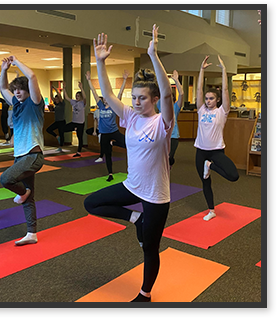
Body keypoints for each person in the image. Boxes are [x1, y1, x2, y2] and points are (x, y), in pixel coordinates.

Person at [84, 24, 174, 302]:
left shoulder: (162, 122)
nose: (136, 102)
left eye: (142, 98)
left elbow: (169, 95)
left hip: (156, 195)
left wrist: (153, 55)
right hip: (132, 185)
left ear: (154, 99)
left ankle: (145, 294)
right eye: (134, 98)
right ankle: (135, 219)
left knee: (150, 247)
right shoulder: (131, 117)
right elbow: (110, 96)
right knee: (91, 203)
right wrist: (100, 62)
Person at [0, 55, 45, 246]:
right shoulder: (16, 104)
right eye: (15, 90)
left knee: (6, 179)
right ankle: (31, 233)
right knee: (29, 198)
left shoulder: (35, 103)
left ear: (27, 91)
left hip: (33, 155)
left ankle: (23, 192)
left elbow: (32, 76)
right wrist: (3, 69)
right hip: (20, 157)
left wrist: (16, 61)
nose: (17, 93)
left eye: (20, 90)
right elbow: (2, 88)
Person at [194, 55, 239, 221]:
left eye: (211, 98)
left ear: (218, 100)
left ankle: (210, 166)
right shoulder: (201, 110)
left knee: (233, 176)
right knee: (205, 183)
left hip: (216, 152)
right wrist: (201, 70)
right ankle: (211, 210)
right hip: (200, 151)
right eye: (206, 98)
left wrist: (224, 71)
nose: (208, 101)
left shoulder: (222, 112)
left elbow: (226, 91)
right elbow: (198, 90)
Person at [85, 71, 126, 181]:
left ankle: (114, 143)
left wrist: (125, 80)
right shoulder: (101, 106)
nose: (106, 99)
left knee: (127, 143)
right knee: (107, 154)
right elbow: (93, 92)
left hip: (114, 131)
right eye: (105, 98)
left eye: (108, 98)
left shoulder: (113, 106)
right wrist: (89, 80)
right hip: (104, 134)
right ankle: (110, 174)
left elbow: (120, 94)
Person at [157, 69, 184, 167]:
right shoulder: (160, 104)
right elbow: (161, 90)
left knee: (169, 158)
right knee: (162, 159)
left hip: (173, 137)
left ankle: (169, 166)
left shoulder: (176, 107)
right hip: (161, 135)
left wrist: (176, 80)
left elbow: (181, 94)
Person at [62, 81, 86, 157]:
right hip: (74, 122)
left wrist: (81, 88)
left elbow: (85, 97)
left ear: (81, 97)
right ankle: (74, 129)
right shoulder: (74, 102)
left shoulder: (82, 103)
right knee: (63, 129)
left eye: (78, 96)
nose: (76, 97)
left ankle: (78, 152)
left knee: (80, 137)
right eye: (76, 96)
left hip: (80, 123)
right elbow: (66, 97)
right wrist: (64, 88)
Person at [46, 85, 66, 152]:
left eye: (57, 99)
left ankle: (60, 147)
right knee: (48, 129)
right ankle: (57, 137)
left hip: (62, 121)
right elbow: (52, 97)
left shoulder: (62, 104)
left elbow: (60, 96)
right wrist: (51, 90)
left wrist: (56, 90)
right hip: (57, 121)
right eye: (55, 99)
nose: (56, 100)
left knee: (61, 134)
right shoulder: (56, 104)